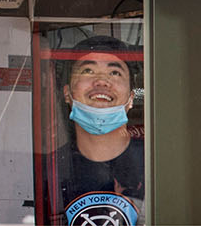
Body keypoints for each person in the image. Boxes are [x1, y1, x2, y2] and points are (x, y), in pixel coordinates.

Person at [49, 34, 144, 225]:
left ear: (131, 98)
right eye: (88, 71)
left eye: (115, 73)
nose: (101, 81)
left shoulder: (156, 165)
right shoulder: (51, 169)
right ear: (67, 93)